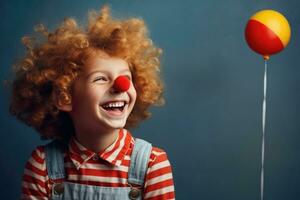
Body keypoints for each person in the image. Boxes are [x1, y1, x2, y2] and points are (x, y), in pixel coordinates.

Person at [10, 5, 175, 200]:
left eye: (126, 77)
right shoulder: (43, 165)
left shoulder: (152, 163)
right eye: (100, 79)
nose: (120, 86)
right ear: (65, 97)